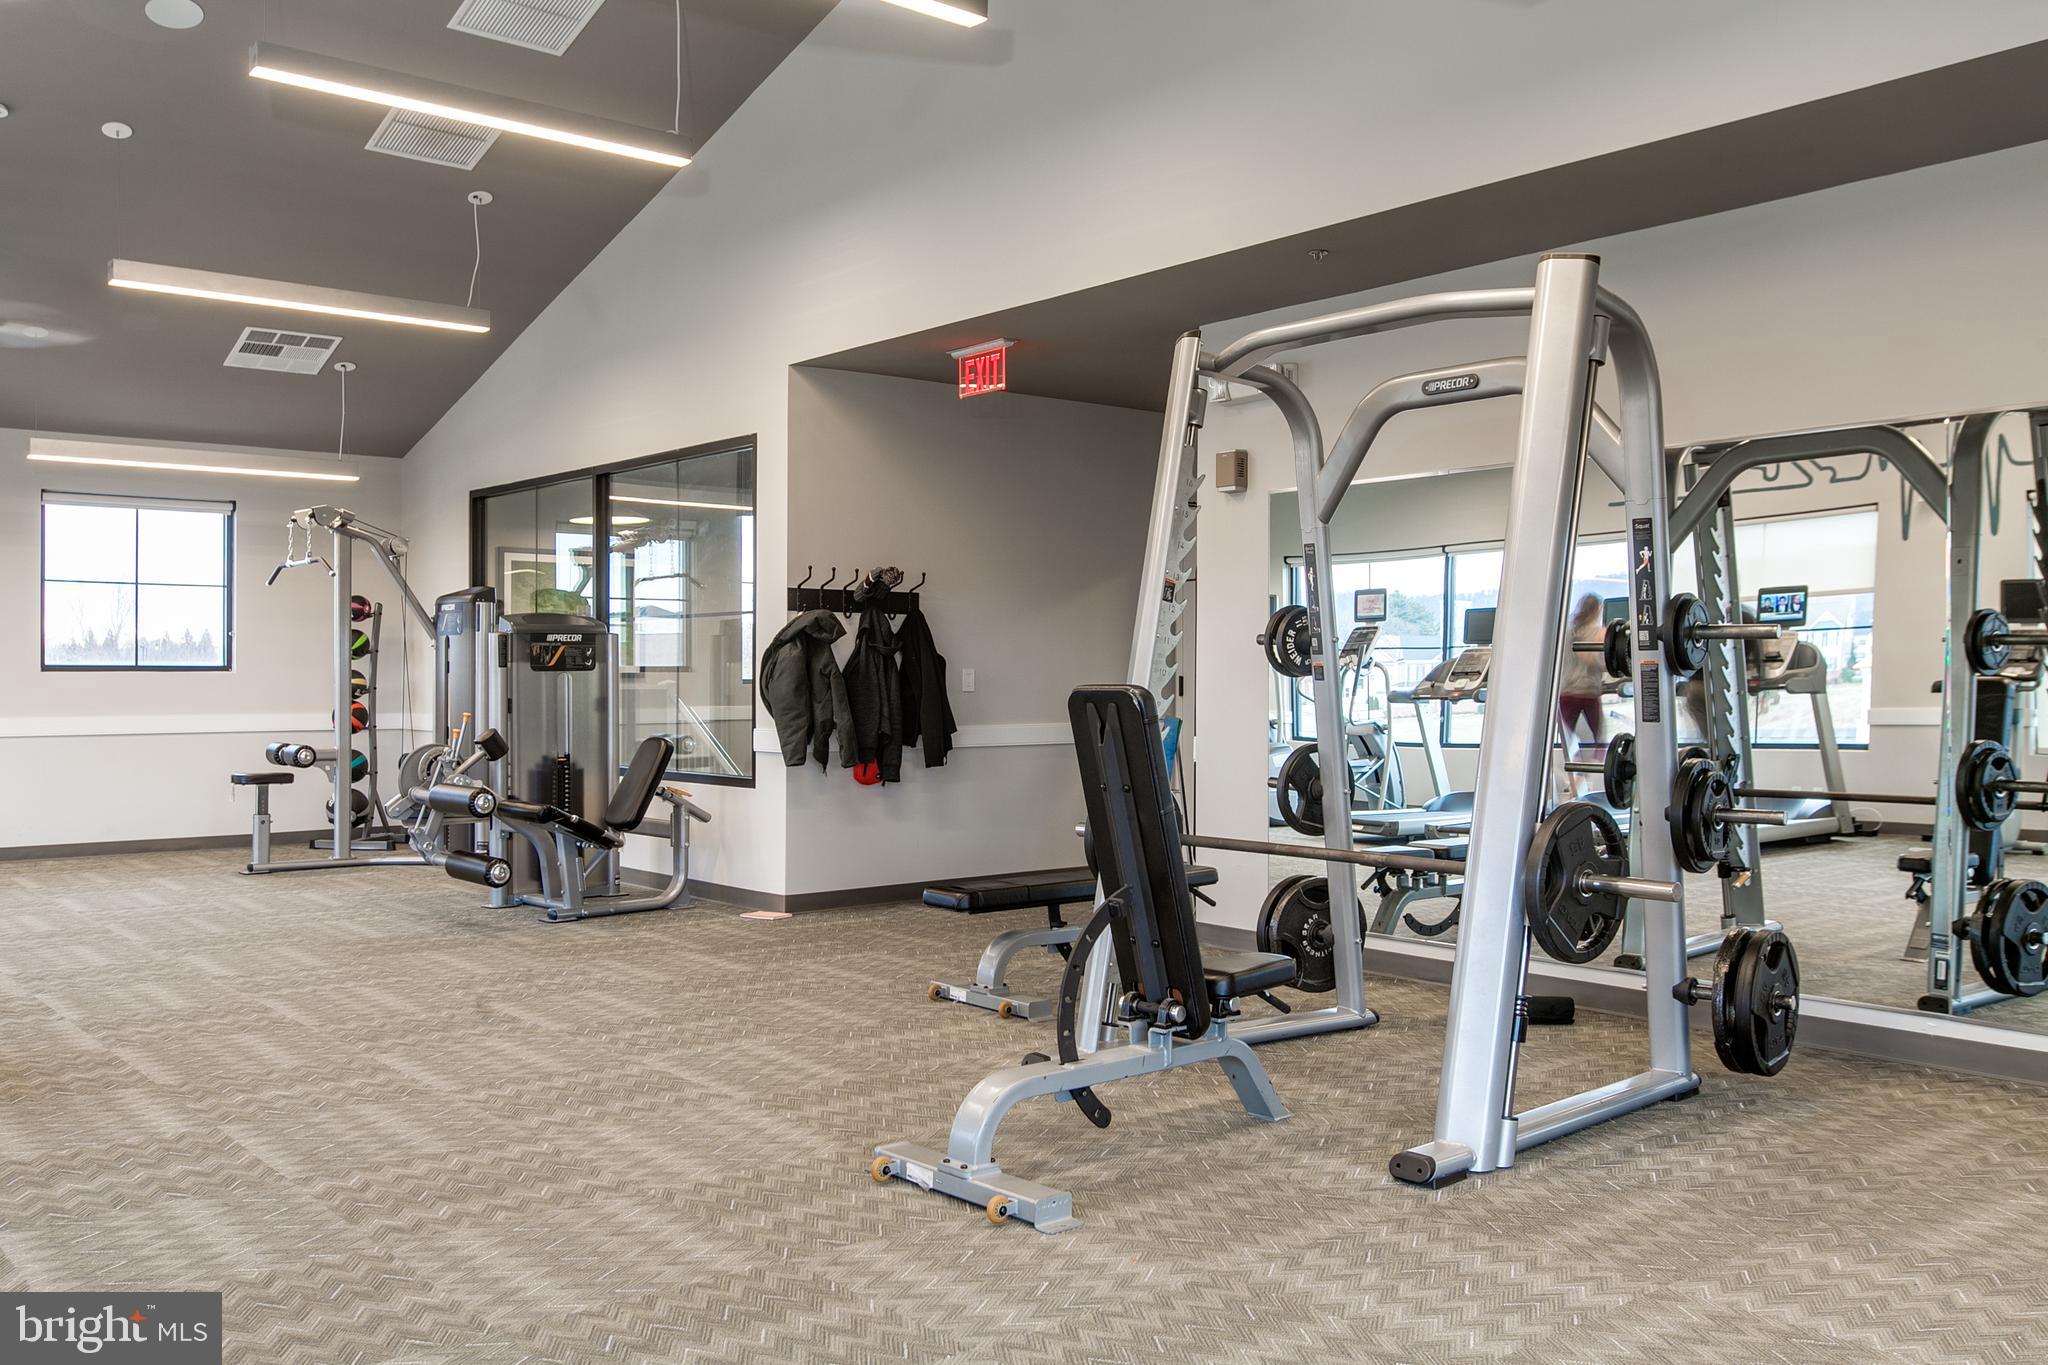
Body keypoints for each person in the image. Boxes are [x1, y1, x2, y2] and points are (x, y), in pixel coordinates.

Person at [1559, 594, 1608, 792]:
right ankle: (1589, 784)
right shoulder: (1598, 633)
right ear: (1597, 610)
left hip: (1565, 693)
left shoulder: (1567, 632)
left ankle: (1572, 784)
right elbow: (1601, 661)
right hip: (1587, 693)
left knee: (1567, 743)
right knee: (1600, 743)